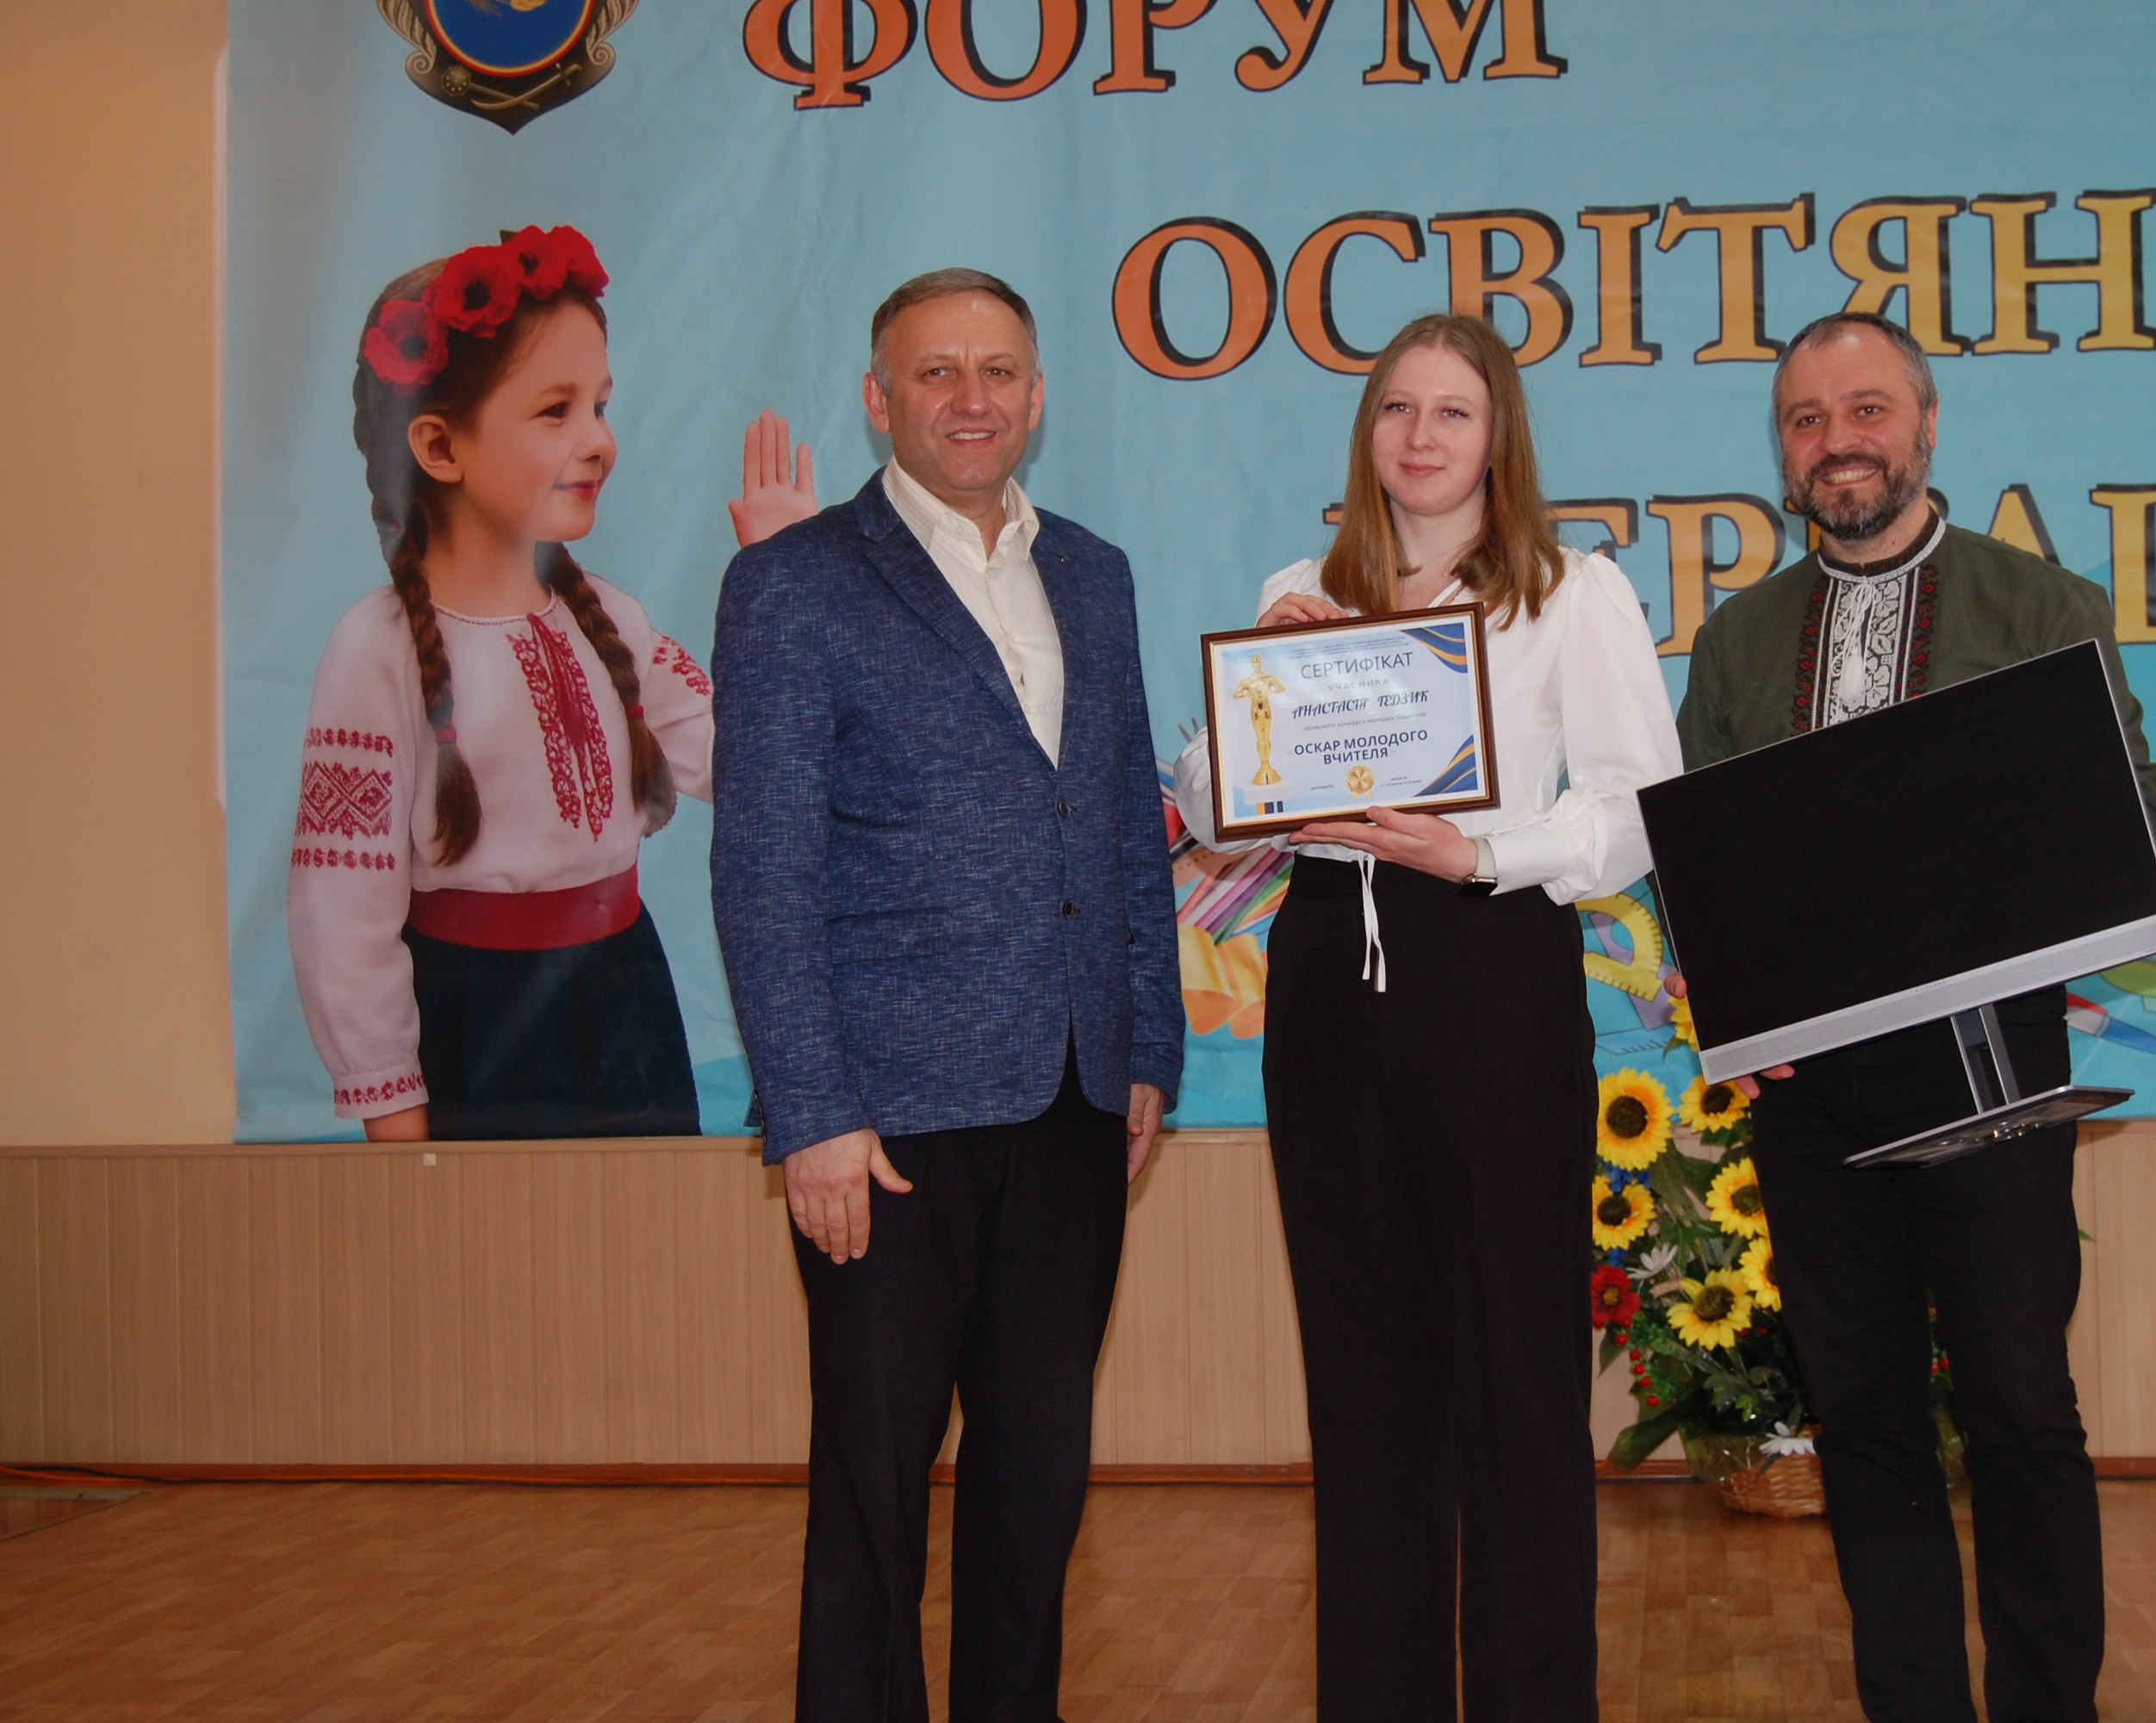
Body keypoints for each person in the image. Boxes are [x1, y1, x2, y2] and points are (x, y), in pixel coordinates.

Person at [1173, 312, 1681, 1722]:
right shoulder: (1302, 587)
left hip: (1488, 967)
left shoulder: (1569, 591)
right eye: (1396, 407)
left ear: (1498, 433)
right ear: (1368, 431)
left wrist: (1481, 853)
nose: (1419, 435)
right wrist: (1260, 694)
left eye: (1452, 410)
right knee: (1361, 1379)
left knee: (1516, 1379)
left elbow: (1639, 810)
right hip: (1326, 984)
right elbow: (1211, 808)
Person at [1671, 310, 2156, 1723]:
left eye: (1867, 410)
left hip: (1991, 1063)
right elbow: (1701, 860)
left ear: (1927, 426)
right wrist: (1731, 1000)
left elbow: (2129, 812)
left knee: (2019, 1400)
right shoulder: (1737, 640)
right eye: (1807, 419)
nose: (1839, 442)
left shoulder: (2043, 608)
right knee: (1862, 1412)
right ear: (1782, 449)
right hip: (1809, 1088)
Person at [709, 268, 1182, 1723]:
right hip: (884, 1127)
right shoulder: (793, 585)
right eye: (936, 373)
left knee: (1036, 1484)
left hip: (1074, 1100)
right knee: (874, 1494)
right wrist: (812, 1114)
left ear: (1037, 397)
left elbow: (1121, 822)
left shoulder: (1092, 573)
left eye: (998, 372)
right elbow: (762, 868)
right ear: (879, 399)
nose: (971, 399)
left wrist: (1148, 1043)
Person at [289, 226, 711, 1141]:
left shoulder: (612, 617)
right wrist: (390, 1102)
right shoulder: (376, 649)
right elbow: (342, 906)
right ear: (439, 445)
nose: (598, 441)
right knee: (495, 1236)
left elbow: (745, 761)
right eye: (555, 410)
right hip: (472, 1018)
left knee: (648, 1229)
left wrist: (783, 586)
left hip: (627, 995)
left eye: (600, 405)